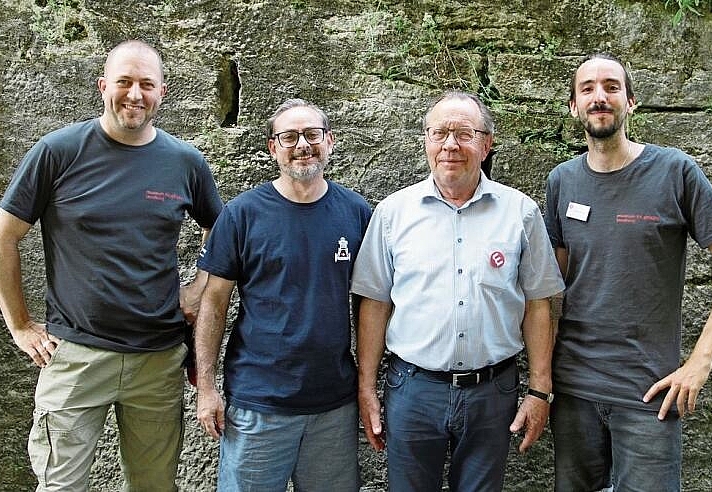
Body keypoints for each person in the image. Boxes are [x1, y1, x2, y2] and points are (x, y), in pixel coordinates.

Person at [0, 40, 223, 491]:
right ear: (104, 86)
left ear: (162, 91)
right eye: (124, 82)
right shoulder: (58, 151)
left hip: (157, 360)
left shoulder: (185, 161)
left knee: (154, 486)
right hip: (75, 357)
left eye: (146, 84)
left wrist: (198, 288)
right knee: (60, 486)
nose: (134, 94)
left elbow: (218, 232)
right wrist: (20, 325)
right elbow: (5, 234)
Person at [351, 90, 565, 492]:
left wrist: (540, 390)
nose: (450, 144)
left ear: (486, 145)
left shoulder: (521, 213)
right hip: (413, 390)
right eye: (440, 133)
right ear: (427, 142)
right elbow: (374, 302)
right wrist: (366, 389)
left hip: (492, 392)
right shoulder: (393, 214)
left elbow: (539, 303)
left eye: (464, 134)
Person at [544, 52, 712, 492]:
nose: (599, 97)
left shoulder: (675, 172)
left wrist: (700, 363)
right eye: (588, 88)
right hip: (574, 390)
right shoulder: (561, 181)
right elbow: (552, 290)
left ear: (631, 101)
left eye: (611, 87)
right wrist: (543, 379)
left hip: (649, 393)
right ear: (574, 106)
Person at [194, 98, 372, 491]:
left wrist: (367, 386)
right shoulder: (242, 214)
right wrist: (206, 388)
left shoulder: (357, 213)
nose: (302, 145)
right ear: (273, 147)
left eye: (312, 134)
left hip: (333, 405)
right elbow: (213, 302)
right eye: (289, 137)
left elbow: (371, 304)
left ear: (330, 141)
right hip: (258, 403)